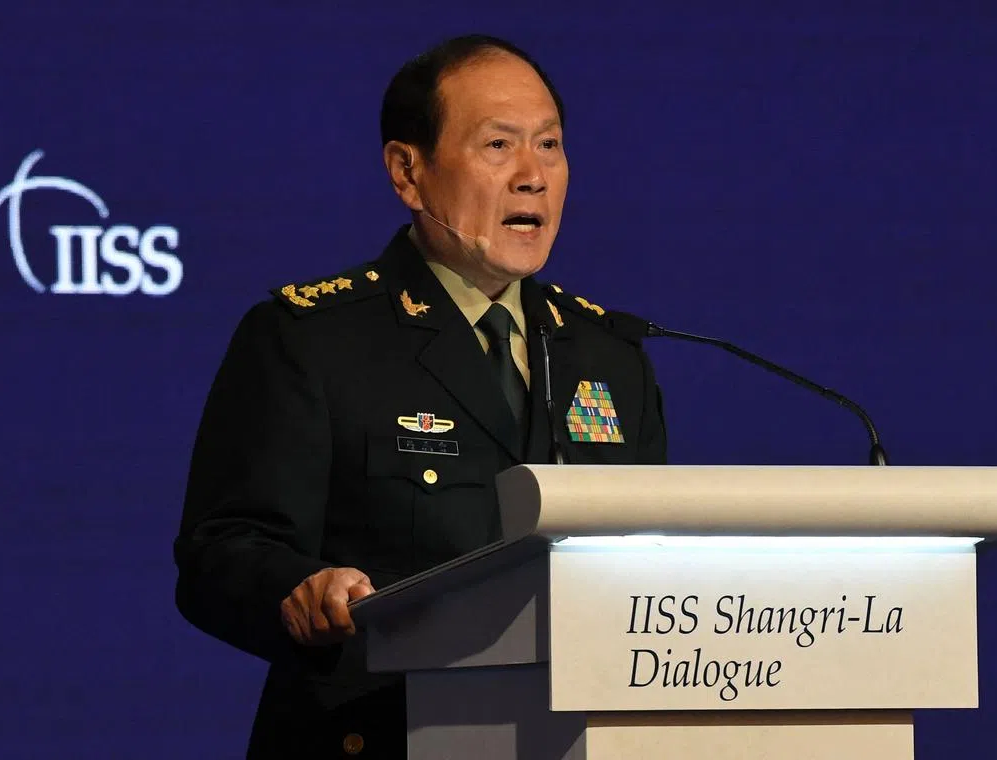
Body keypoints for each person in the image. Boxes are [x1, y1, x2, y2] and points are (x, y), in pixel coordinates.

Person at [174, 34, 668, 758]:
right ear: (408, 173)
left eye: (550, 145)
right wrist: (303, 588)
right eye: (498, 145)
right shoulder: (314, 338)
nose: (532, 176)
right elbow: (221, 553)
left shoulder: (609, 354)